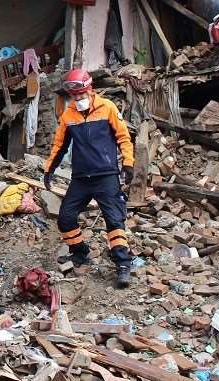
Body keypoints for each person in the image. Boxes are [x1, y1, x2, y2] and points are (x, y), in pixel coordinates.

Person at [43, 69, 134, 287]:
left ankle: (122, 264)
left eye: (81, 94)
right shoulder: (68, 116)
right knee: (65, 218)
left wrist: (128, 163)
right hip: (81, 178)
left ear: (90, 90)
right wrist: (49, 169)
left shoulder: (107, 108)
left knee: (114, 220)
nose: (78, 99)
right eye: (74, 96)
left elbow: (123, 137)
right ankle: (80, 251)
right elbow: (59, 146)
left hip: (106, 175)